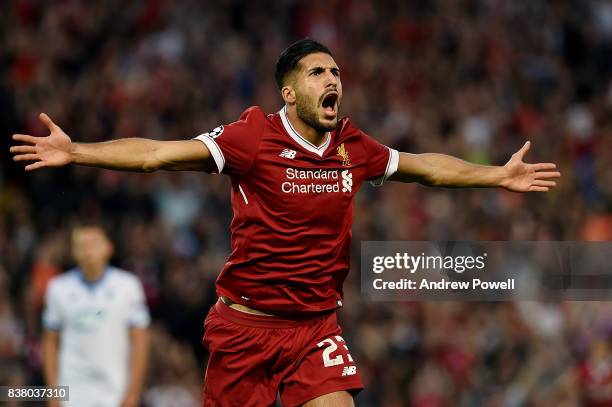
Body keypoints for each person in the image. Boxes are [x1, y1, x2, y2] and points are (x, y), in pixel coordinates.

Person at [12, 39, 560, 406]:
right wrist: (78, 151)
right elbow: (157, 153)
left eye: (337, 72)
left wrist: (497, 177)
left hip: (314, 328)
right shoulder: (253, 138)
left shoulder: (352, 144)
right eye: (317, 72)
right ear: (289, 91)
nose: (333, 80)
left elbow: (424, 168)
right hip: (245, 328)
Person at [41, 225, 150, 407]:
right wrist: (53, 394)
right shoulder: (57, 288)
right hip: (72, 389)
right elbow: (50, 342)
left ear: (108, 248)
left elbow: (140, 340)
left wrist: (133, 391)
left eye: (93, 244)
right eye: (81, 245)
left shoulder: (128, 286)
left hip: (115, 390)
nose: (87, 250)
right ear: (74, 252)